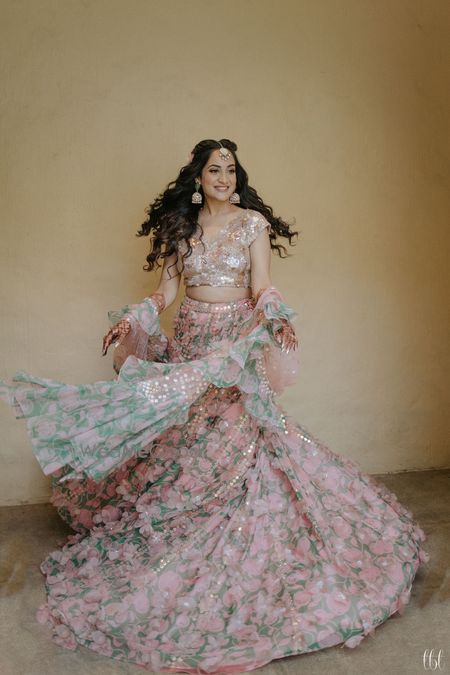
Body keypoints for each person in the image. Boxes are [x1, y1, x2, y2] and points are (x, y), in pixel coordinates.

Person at [0, 138, 429, 674]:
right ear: (197, 177)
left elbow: (263, 286)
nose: (223, 177)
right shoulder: (182, 227)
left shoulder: (252, 225)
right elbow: (166, 291)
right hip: (191, 341)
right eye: (213, 169)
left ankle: (236, 528)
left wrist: (277, 316)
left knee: (237, 440)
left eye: (230, 169)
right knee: (187, 444)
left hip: (234, 345)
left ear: (236, 175)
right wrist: (134, 318)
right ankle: (183, 528)